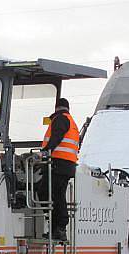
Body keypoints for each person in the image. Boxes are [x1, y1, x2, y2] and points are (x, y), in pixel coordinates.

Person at [39, 98, 80, 242]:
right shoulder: (72, 122)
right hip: (67, 165)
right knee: (57, 195)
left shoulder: (60, 119)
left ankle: (59, 227)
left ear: (57, 108)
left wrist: (45, 151)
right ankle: (58, 228)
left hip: (58, 163)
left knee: (45, 191)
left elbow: (57, 136)